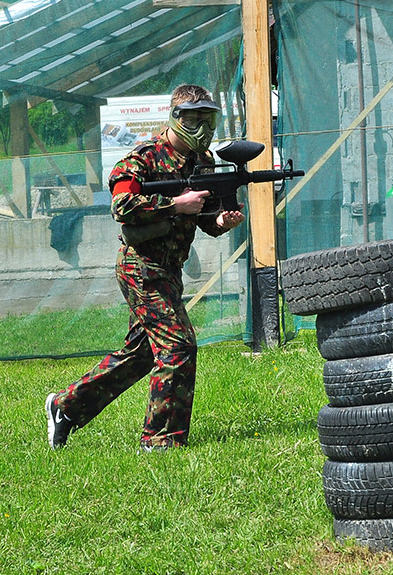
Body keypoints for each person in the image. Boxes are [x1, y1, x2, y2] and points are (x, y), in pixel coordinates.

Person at [45, 84, 245, 451]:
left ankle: (66, 407)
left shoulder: (202, 161)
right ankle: (160, 440)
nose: (202, 128)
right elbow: (122, 206)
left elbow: (203, 217)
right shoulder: (142, 159)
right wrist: (175, 204)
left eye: (208, 119)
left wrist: (220, 222)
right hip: (141, 268)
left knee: (141, 355)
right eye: (193, 119)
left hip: (170, 270)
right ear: (175, 117)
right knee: (178, 345)